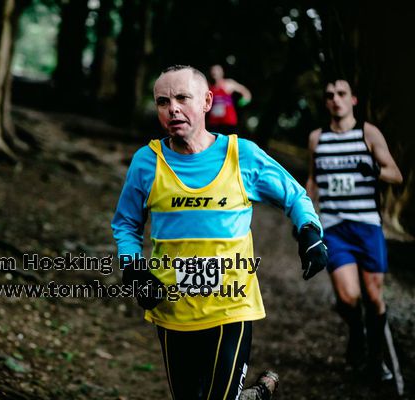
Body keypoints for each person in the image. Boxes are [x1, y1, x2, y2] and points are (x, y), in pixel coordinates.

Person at [112, 65, 327, 400]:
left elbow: (294, 195)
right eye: (163, 102)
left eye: (183, 98)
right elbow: (126, 223)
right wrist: (133, 268)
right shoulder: (147, 162)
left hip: (231, 305)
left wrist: (310, 231)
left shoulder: (241, 155)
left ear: (207, 101)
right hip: (171, 307)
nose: (173, 109)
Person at [305, 79, 403, 381]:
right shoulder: (317, 138)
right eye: (330, 95)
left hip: (367, 225)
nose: (335, 99)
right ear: (326, 102)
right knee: (348, 298)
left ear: (353, 100)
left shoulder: (367, 132)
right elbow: (313, 179)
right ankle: (357, 334)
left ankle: (375, 359)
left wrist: (373, 169)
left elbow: (395, 174)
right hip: (335, 227)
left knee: (374, 297)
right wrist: (306, 217)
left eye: (341, 94)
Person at [206, 64, 252, 135]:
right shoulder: (208, 86)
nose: (214, 72)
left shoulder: (228, 84)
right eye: (213, 70)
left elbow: (246, 93)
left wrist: (242, 102)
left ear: (222, 73)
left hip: (228, 123)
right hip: (214, 123)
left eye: (217, 70)